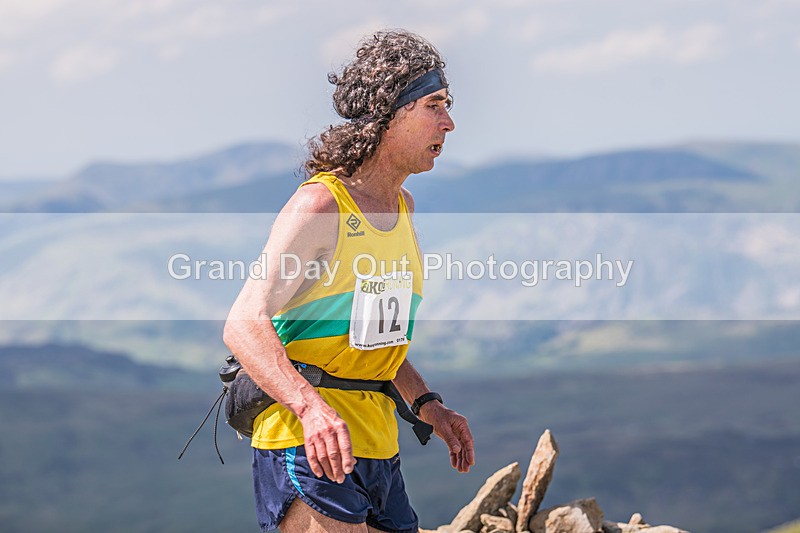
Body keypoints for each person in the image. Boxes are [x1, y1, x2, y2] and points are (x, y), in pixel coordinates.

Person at [223, 29, 474, 533]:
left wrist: (427, 404)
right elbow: (244, 322)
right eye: (434, 105)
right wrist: (310, 409)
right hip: (306, 435)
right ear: (390, 113)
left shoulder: (403, 209)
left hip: (376, 440)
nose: (449, 122)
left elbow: (375, 335)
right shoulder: (322, 205)